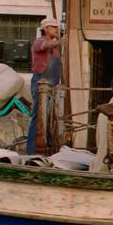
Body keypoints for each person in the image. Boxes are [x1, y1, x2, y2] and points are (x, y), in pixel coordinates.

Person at [26, 17, 67, 155]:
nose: (57, 30)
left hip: (52, 86)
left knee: (49, 118)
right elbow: (44, 46)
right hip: (40, 84)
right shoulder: (40, 42)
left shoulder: (55, 48)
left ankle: (46, 150)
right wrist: (59, 42)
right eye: (54, 27)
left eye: (57, 27)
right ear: (46, 29)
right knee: (38, 117)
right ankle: (32, 151)